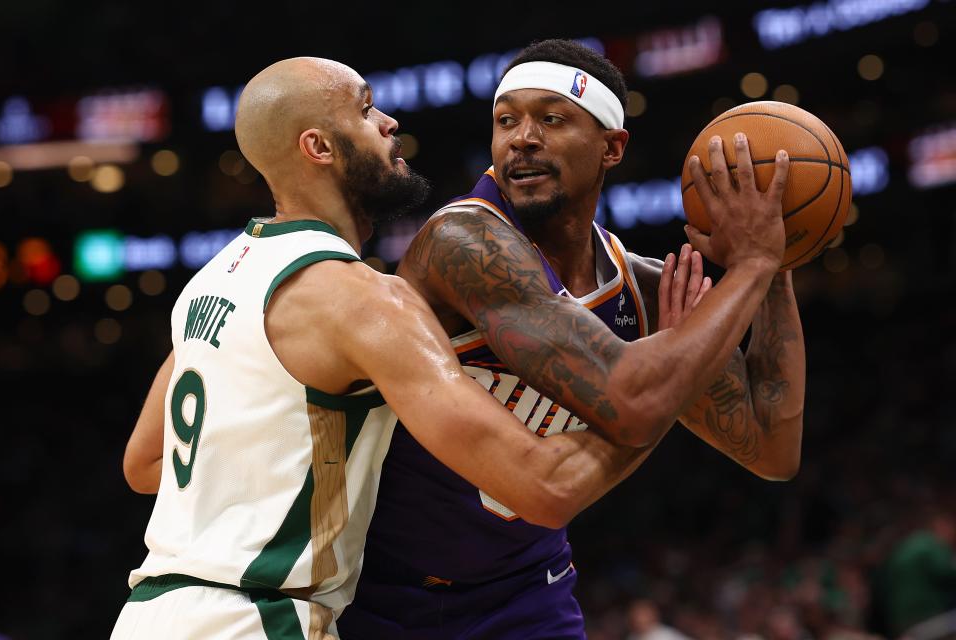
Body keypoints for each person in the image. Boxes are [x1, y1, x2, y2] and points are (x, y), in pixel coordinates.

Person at [112, 56, 677, 640]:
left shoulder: (211, 282)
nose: (388, 122)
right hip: (260, 617)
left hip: (152, 611)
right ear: (319, 147)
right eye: (365, 109)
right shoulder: (363, 302)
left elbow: (143, 463)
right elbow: (544, 487)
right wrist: (666, 389)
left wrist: (279, 470)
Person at [337, 39, 805, 639]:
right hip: (384, 593)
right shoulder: (463, 244)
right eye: (506, 120)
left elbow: (772, 449)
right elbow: (634, 404)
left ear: (612, 148)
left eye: (551, 119)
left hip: (528, 591)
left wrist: (778, 267)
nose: (522, 138)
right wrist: (749, 271)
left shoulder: (643, 290)